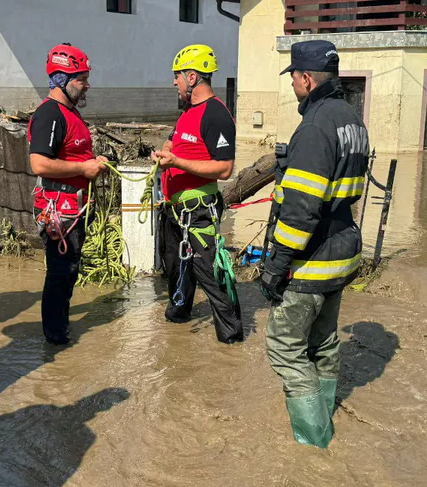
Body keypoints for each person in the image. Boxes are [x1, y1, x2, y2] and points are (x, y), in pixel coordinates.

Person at [260, 40, 370, 449]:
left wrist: (276, 266)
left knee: (284, 347)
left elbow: (301, 209)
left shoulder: (314, 127)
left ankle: (314, 441)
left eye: (293, 76)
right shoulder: (351, 118)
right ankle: (324, 416)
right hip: (342, 252)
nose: (292, 84)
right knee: (323, 342)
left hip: (312, 259)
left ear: (307, 78)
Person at [153, 44, 243, 344]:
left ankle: (231, 338)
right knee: (176, 268)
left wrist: (177, 162)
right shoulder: (187, 112)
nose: (174, 82)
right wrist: (165, 152)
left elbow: (224, 168)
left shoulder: (216, 115)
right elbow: (173, 142)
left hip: (198, 212)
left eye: (176, 76)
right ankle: (177, 325)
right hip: (175, 210)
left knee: (209, 274)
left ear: (191, 77)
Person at [27, 43, 108, 345]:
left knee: (69, 271)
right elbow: (39, 163)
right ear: (61, 79)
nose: (87, 85)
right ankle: (56, 338)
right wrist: (84, 168)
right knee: (61, 273)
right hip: (59, 210)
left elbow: (74, 155)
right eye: (81, 79)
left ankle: (59, 331)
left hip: (73, 206)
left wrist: (93, 162)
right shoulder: (49, 114)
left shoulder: (68, 112)